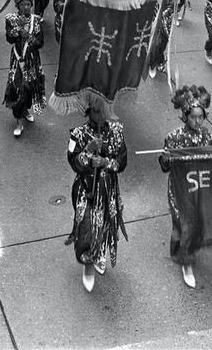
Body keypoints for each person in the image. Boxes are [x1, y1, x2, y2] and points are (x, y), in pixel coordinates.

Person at [159, 85, 212, 288]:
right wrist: (167, 158)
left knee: (196, 222)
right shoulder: (174, 137)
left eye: (201, 117)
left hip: (200, 187)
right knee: (183, 223)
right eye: (193, 117)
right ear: (185, 117)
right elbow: (165, 166)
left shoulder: (209, 137)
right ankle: (186, 262)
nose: (198, 121)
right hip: (180, 187)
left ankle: (185, 250)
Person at [66, 101, 128, 292]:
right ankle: (88, 263)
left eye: (104, 111)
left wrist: (105, 162)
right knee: (86, 224)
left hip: (108, 189)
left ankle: (99, 252)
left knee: (106, 223)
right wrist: (88, 151)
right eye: (96, 111)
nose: (100, 115)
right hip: (86, 189)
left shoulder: (117, 131)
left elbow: (122, 161)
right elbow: (74, 163)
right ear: (88, 111)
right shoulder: (77, 134)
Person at [4, 0, 46, 137]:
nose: (27, 7)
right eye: (24, 5)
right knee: (18, 88)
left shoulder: (37, 20)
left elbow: (40, 43)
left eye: (29, 4)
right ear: (18, 6)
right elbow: (9, 39)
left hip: (32, 60)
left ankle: (26, 110)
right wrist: (17, 28)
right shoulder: (10, 19)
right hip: (17, 60)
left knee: (30, 88)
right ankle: (19, 122)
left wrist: (27, 34)